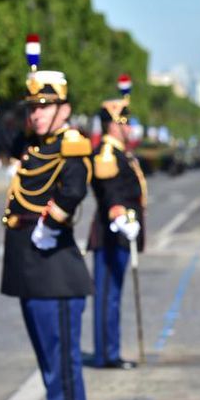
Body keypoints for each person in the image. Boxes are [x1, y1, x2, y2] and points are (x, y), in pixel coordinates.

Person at [0, 38, 92, 400]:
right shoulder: (33, 145)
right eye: (32, 107)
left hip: (55, 273)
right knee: (50, 369)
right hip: (29, 268)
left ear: (63, 109)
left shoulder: (71, 145)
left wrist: (52, 223)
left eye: (44, 107)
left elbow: (74, 187)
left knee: (62, 373)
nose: (35, 114)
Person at [86, 75, 147, 369]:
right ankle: (106, 354)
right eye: (124, 122)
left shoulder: (122, 152)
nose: (128, 127)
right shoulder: (108, 153)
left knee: (113, 296)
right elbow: (109, 191)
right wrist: (119, 215)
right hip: (112, 233)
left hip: (123, 233)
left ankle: (109, 350)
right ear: (112, 124)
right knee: (107, 297)